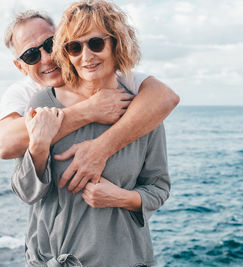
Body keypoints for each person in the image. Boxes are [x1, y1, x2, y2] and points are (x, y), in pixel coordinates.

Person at [11, 0, 171, 266]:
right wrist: (38, 148)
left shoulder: (142, 112)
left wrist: (121, 197)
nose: (86, 56)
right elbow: (25, 193)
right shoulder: (43, 103)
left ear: (116, 44)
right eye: (74, 47)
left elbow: (159, 188)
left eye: (95, 43)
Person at [0, 10, 179, 192]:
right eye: (31, 55)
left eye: (50, 45)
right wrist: (88, 110)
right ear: (21, 67)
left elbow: (164, 97)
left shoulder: (107, 75)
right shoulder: (28, 94)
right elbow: (5, 145)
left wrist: (102, 148)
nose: (48, 58)